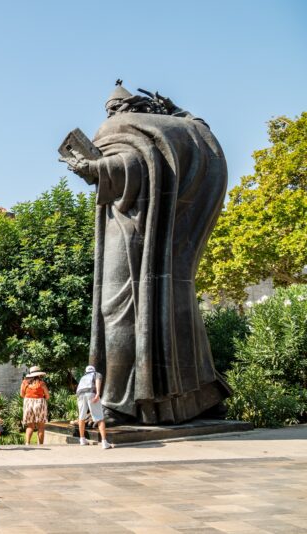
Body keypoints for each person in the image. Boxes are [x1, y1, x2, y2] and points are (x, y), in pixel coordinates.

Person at [60, 81, 229, 424]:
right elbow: (197, 136)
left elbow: (134, 166)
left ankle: (120, 402)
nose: (108, 114)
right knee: (172, 311)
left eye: (112, 107)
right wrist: (176, 111)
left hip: (131, 232)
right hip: (154, 236)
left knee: (118, 309)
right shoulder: (185, 130)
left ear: (125, 109)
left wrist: (93, 169)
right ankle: (199, 397)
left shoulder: (126, 127)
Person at [76, 365, 114, 449]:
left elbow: (78, 388)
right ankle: (104, 442)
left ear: (86, 371)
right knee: (99, 417)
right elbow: (97, 382)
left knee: (81, 417)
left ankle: (82, 439)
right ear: (94, 370)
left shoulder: (83, 377)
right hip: (91, 393)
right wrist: (97, 393)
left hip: (80, 395)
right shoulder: (96, 374)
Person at [20, 366, 49, 445]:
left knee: (30, 426)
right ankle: (41, 444)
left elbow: (22, 394)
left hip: (28, 403)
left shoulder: (24, 382)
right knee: (41, 426)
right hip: (39, 402)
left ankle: (27, 443)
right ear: (39, 374)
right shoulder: (41, 383)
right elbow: (47, 396)